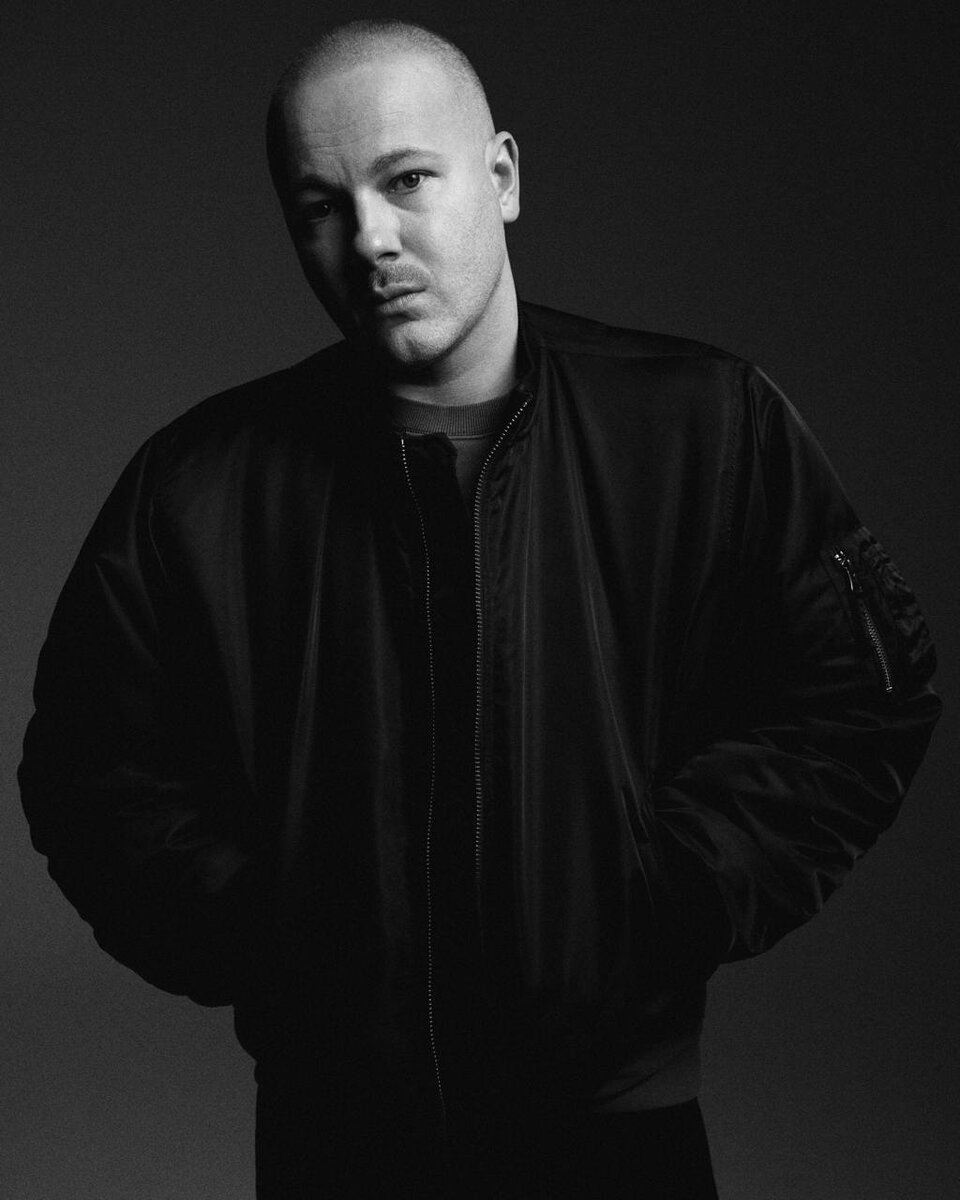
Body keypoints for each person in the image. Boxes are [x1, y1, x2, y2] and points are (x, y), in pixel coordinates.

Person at [19, 18, 941, 1200]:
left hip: (620, 1128)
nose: (368, 239)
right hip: (336, 1139)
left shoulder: (706, 426)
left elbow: (865, 694)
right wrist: (270, 935)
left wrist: (669, 892)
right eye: (319, 207)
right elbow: (88, 773)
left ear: (501, 176)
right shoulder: (198, 486)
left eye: (407, 180)